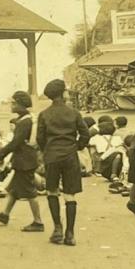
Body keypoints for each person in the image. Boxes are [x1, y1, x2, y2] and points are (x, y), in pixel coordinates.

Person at [35, 78, 90, 245]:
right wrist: (76, 146)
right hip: (70, 156)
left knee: (52, 191)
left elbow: (40, 138)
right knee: (70, 195)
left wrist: (48, 150)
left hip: (52, 156)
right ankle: (70, 234)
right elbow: (85, 134)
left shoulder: (44, 114)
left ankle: (57, 227)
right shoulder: (74, 113)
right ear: (63, 93)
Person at [0, 91, 48, 236]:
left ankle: (38, 221)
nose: (11, 105)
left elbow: (15, 143)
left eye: (14, 103)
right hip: (26, 159)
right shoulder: (27, 119)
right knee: (15, 190)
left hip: (24, 160)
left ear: (21, 104)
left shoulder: (24, 122)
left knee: (30, 192)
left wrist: (0, 153)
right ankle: (5, 214)